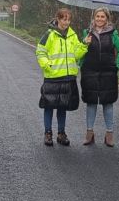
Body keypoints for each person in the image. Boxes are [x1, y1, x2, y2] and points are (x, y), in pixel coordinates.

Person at [36, 8, 88, 146]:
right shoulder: (49, 34)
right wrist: (48, 65)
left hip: (68, 77)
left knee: (62, 107)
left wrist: (84, 44)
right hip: (52, 77)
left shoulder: (73, 35)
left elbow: (76, 55)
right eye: (64, 19)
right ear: (58, 19)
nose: (67, 22)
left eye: (69, 19)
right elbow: (40, 52)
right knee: (48, 106)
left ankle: (61, 133)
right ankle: (48, 133)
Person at [80, 7, 119, 147]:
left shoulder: (113, 34)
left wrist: (116, 66)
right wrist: (83, 44)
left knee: (108, 103)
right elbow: (81, 51)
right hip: (90, 72)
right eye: (97, 16)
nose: (99, 19)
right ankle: (89, 133)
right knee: (91, 102)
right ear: (94, 18)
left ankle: (109, 134)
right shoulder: (86, 33)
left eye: (102, 17)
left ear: (107, 18)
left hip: (108, 73)